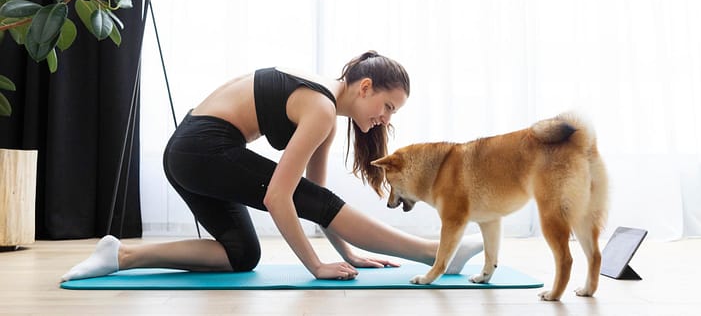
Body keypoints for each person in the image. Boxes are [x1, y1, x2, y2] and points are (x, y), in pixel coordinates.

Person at [61, 51, 483, 282]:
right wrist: (316, 266)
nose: (386, 119)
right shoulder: (319, 106)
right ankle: (438, 253)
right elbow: (280, 197)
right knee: (294, 199)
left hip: (190, 153)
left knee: (241, 255)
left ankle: (120, 254)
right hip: (200, 149)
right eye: (387, 106)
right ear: (365, 86)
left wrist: (346, 251)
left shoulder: (324, 116)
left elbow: (314, 205)